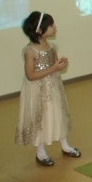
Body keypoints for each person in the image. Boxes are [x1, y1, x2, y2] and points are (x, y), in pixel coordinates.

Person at [15, 12, 81, 166]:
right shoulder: (30, 51)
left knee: (58, 114)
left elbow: (55, 66)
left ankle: (65, 145)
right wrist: (53, 68)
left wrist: (60, 65)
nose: (54, 27)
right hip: (37, 90)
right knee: (41, 119)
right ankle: (40, 152)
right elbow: (30, 75)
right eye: (51, 25)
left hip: (53, 88)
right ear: (39, 30)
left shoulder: (52, 46)